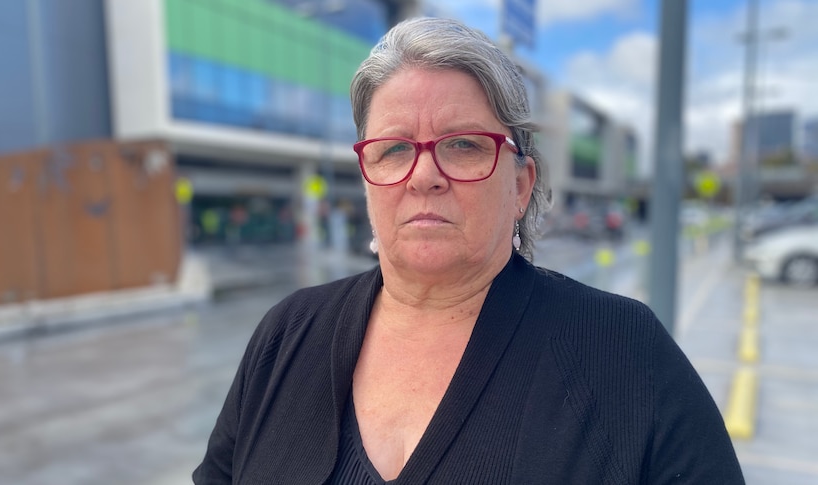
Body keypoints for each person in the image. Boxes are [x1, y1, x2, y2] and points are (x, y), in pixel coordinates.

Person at [193, 17, 744, 484]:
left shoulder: (625, 353)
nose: (424, 175)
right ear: (367, 177)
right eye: (393, 149)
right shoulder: (288, 333)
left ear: (522, 184)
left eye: (463, 145)